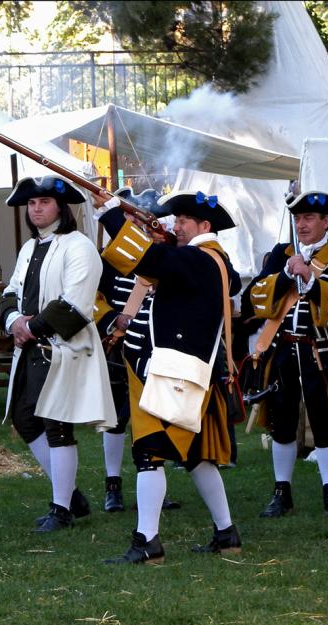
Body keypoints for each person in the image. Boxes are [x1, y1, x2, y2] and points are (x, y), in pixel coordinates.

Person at [92, 188, 243, 564]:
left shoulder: (200, 258)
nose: (176, 227)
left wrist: (111, 213)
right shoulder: (206, 260)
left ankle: (148, 541)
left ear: (204, 226)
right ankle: (226, 534)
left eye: (183, 222)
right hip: (183, 372)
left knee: (149, 454)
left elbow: (149, 259)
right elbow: (157, 264)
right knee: (196, 458)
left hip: (176, 374)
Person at [0, 176, 115, 534]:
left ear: (61, 208)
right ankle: (70, 494)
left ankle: (61, 508)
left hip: (63, 349)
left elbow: (76, 303)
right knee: (24, 418)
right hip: (31, 348)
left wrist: (32, 329)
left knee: (57, 426)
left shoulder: (79, 246)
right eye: (32, 204)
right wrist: (14, 320)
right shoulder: (29, 248)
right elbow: (11, 291)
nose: (36, 209)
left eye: (44, 202)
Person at [242, 190, 328, 518]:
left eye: (309, 218)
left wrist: (310, 277)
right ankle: (282, 493)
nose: (301, 224)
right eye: (298, 218)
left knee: (325, 422)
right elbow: (256, 298)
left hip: (320, 354)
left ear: (325, 222)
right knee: (282, 422)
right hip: (282, 352)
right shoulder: (282, 254)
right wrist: (285, 275)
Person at [93, 187, 182, 513]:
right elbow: (93, 299)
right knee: (116, 420)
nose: (131, 221)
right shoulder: (107, 260)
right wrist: (113, 319)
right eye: (126, 215)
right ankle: (112, 485)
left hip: (158, 346)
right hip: (120, 345)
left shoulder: (163, 253)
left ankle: (157, 486)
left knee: (159, 417)